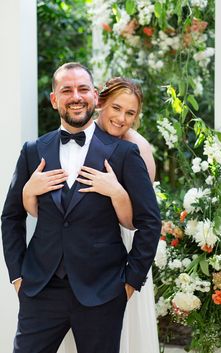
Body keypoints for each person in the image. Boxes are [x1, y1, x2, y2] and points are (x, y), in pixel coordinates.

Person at [1, 63, 161, 353]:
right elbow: (11, 216)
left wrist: (130, 282)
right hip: (40, 290)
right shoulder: (33, 150)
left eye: (83, 88)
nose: (76, 96)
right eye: (67, 90)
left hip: (104, 293)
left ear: (95, 96)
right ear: (54, 100)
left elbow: (150, 221)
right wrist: (17, 275)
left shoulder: (125, 153)